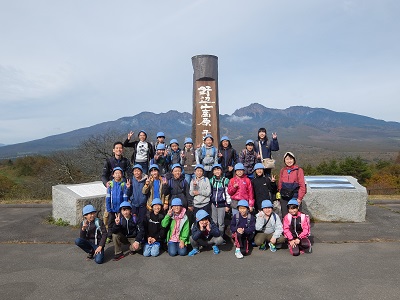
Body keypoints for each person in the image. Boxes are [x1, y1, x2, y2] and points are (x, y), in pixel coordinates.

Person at [278, 152, 306, 217]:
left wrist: (299, 198)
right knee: (285, 216)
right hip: (284, 197)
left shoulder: (299, 170)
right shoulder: (283, 170)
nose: (289, 161)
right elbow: (280, 183)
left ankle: (296, 227)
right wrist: (280, 194)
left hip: (295, 196)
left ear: (294, 160)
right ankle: (286, 227)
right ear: (284, 160)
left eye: (291, 159)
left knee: (295, 216)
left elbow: (302, 185)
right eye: (287, 159)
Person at [105, 167, 129, 243]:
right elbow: (108, 197)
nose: (118, 175)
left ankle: (121, 236)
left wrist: (124, 208)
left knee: (121, 222)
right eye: (116, 173)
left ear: (122, 175)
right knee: (110, 223)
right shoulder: (110, 184)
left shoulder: (123, 184)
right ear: (113, 175)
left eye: (119, 173)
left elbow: (125, 196)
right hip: (112, 208)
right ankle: (109, 236)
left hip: (120, 208)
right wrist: (108, 208)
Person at [209, 164, 230, 236]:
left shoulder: (225, 181)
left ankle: (221, 237)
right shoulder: (211, 181)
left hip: (222, 204)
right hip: (213, 204)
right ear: (213, 172)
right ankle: (215, 236)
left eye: (218, 170)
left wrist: (227, 205)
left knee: (221, 222)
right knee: (214, 221)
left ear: (221, 171)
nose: (217, 171)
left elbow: (228, 194)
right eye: (215, 170)